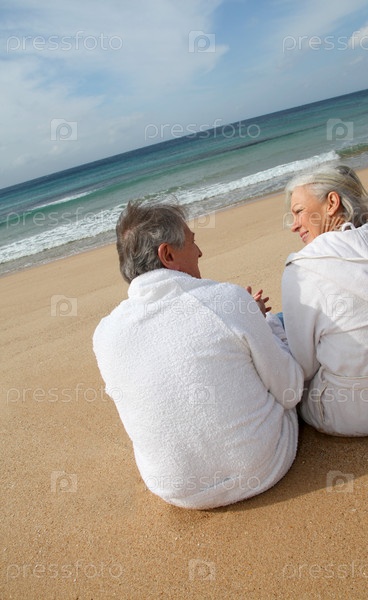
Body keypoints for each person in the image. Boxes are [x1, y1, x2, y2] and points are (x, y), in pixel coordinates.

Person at [93, 202, 303, 509]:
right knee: (282, 323)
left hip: (178, 491)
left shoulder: (105, 334)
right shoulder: (228, 299)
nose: (200, 252)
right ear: (168, 255)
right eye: (192, 242)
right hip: (262, 466)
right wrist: (263, 323)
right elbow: (291, 391)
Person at [282, 164, 368, 436]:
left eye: (298, 211)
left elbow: (304, 367)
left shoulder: (303, 267)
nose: (294, 225)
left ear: (332, 203)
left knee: (278, 325)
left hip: (349, 414)